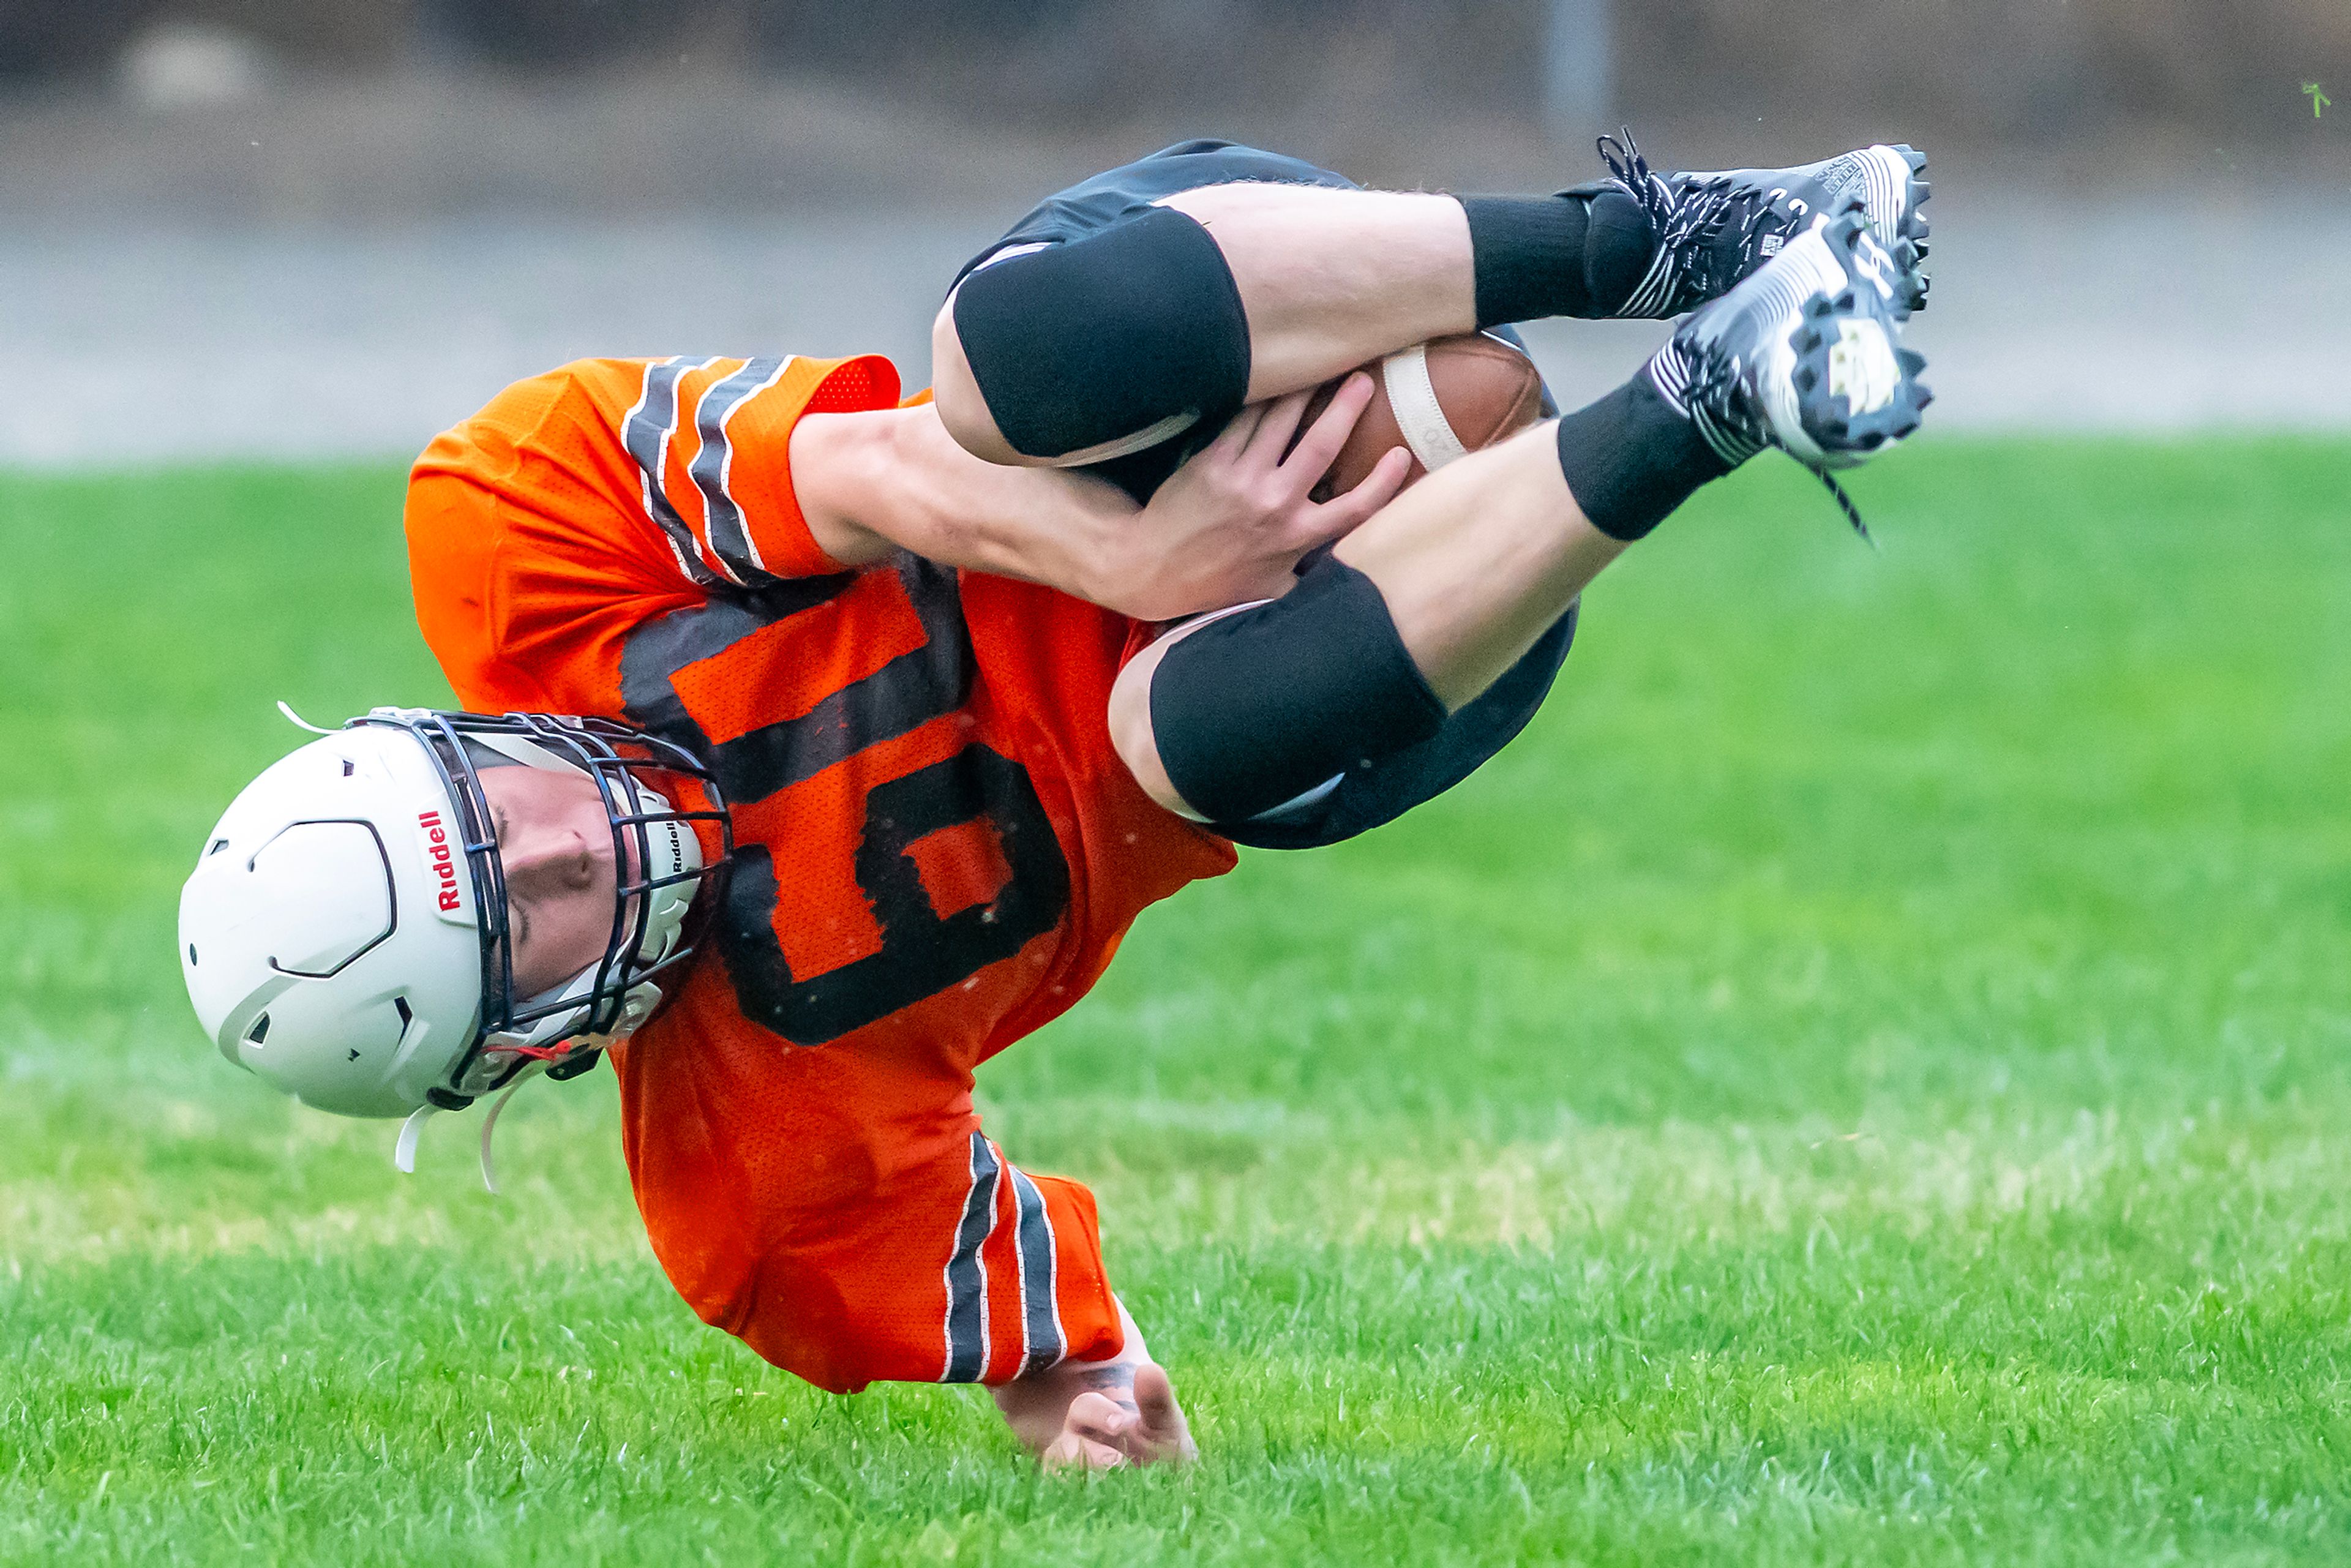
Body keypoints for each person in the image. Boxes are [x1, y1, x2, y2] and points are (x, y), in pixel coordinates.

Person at [179, 135, 1931, 1470]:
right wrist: (1081, 1397)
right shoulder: (756, 1193)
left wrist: (1142, 548)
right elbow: (1052, 1337)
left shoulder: (508, 539)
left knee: (994, 362)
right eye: (529, 916)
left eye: (489, 822)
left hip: (1179, 359)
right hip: (1346, 675)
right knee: (1164, 731)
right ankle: (1732, 384)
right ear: (534, 1046)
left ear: (442, 733)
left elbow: (873, 463)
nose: (560, 845)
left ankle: (1709, 233)